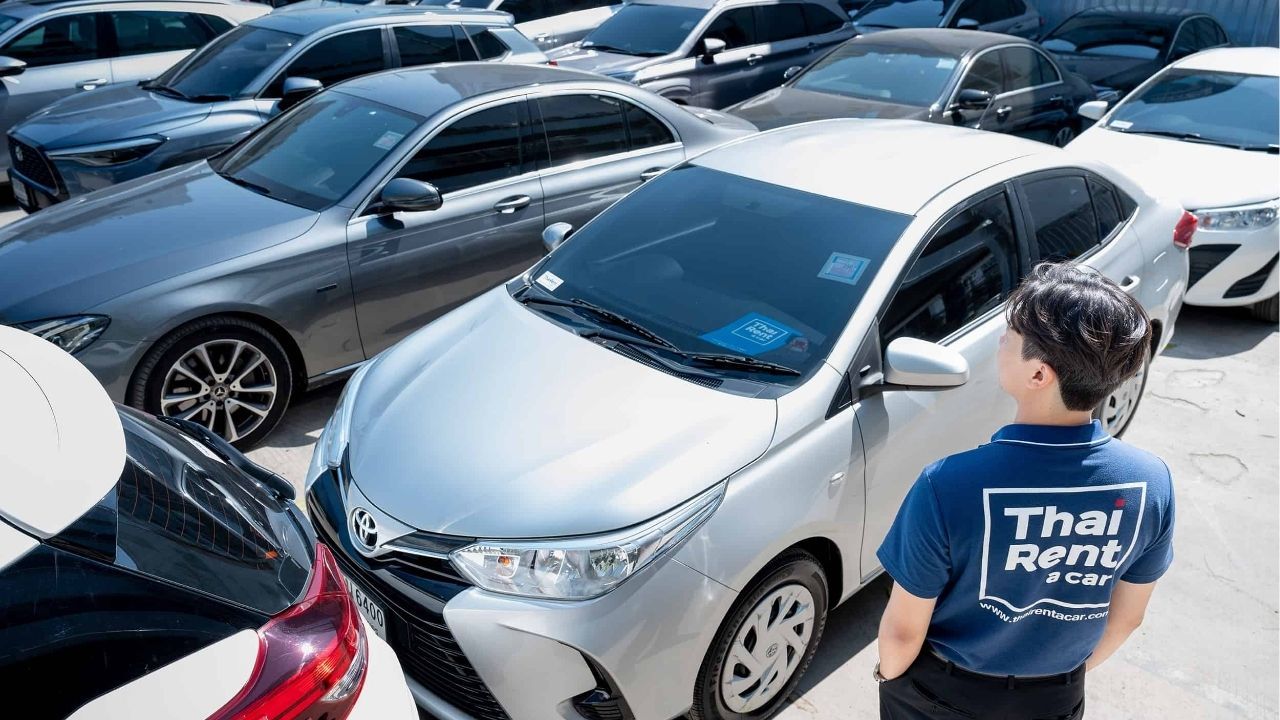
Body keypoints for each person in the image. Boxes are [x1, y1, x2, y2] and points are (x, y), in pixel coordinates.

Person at [874, 262, 1176, 720]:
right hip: (1054, 699)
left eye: (1010, 336)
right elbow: (1127, 618)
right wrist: (1057, 683)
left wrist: (888, 677)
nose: (1000, 340)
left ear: (1038, 375)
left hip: (940, 696)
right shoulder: (1151, 482)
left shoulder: (948, 483)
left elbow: (902, 632)